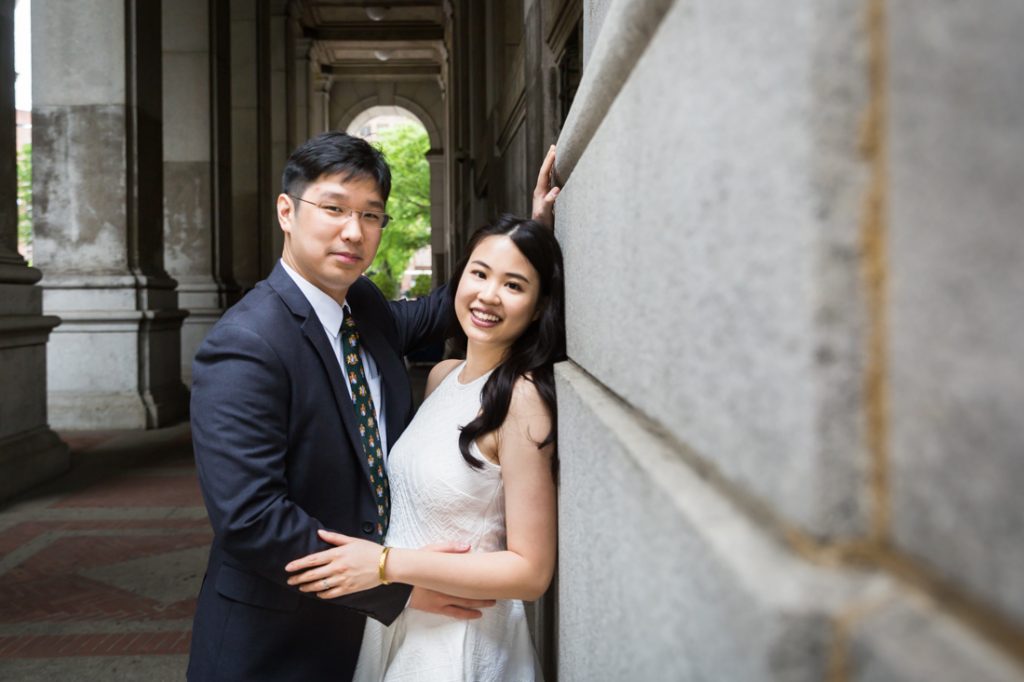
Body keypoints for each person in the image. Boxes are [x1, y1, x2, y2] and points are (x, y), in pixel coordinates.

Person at [187, 132, 559, 681]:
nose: (353, 231)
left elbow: (461, 305)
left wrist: (529, 244)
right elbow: (251, 518)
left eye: (371, 215)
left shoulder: (362, 306)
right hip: (280, 642)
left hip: (389, 638)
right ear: (286, 212)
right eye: (334, 208)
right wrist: (396, 585)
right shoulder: (246, 343)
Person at [284, 214, 565, 681]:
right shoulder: (442, 377)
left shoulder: (521, 398)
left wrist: (384, 565)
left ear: (537, 307)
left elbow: (531, 572)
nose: (489, 295)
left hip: (462, 636)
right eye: (480, 273)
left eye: (514, 286)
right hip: (404, 619)